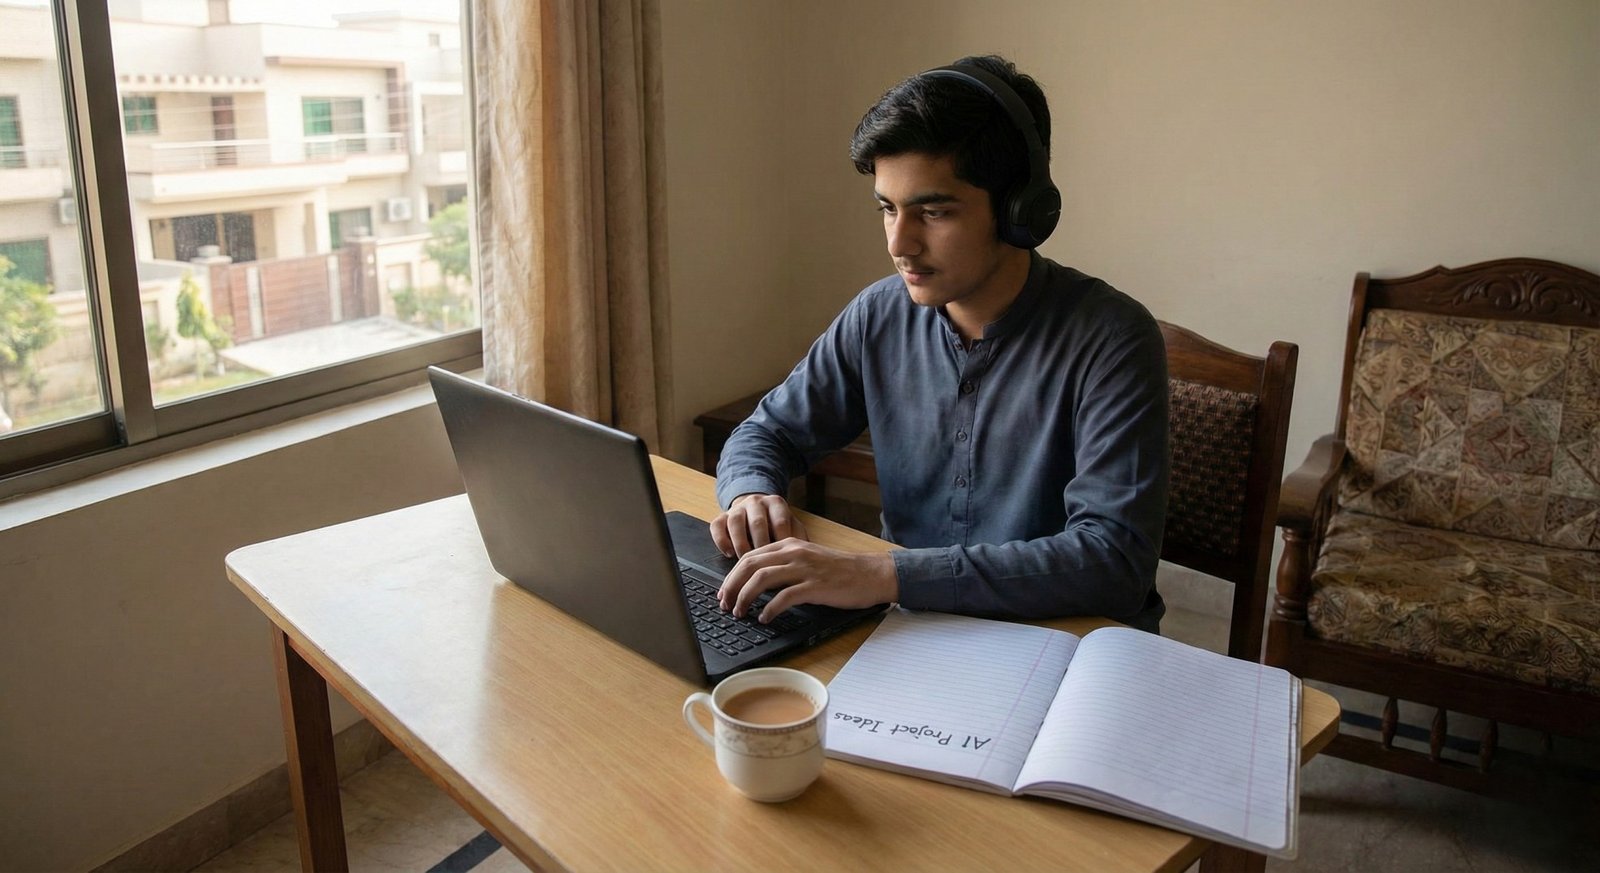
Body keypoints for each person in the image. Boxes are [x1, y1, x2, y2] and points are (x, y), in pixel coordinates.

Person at [710, 54, 1169, 633]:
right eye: (887, 209)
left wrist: (882, 575)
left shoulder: (1113, 339)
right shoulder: (877, 314)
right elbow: (767, 433)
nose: (900, 243)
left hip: (1065, 641)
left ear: (1018, 212)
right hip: (912, 629)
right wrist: (751, 495)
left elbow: (1113, 561)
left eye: (934, 211)